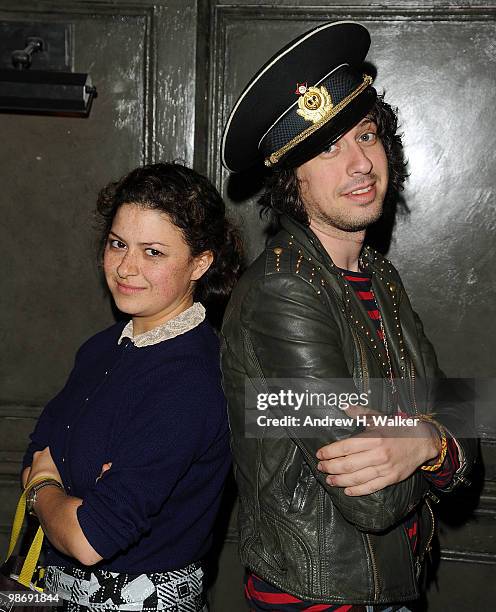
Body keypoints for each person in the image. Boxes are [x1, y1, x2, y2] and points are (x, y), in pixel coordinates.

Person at [220, 21, 476, 610]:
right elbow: (372, 501)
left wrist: (423, 438)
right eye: (326, 150)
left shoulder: (378, 274)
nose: (359, 163)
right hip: (325, 593)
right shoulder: (282, 292)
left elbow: (463, 411)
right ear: (293, 178)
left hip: (390, 577)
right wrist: (432, 431)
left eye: (365, 136)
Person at [21, 162, 242, 611]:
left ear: (200, 263)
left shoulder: (193, 379)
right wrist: (64, 493)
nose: (125, 267)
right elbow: (35, 449)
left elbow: (87, 538)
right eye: (118, 243)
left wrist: (44, 486)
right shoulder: (102, 348)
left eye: (153, 252)